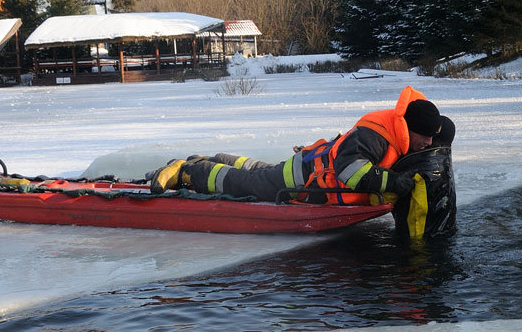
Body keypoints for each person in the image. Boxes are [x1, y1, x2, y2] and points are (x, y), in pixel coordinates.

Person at [149, 85, 442, 207]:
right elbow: (350, 172)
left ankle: (212, 158)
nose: (427, 144)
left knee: (261, 172)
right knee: (242, 183)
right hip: (303, 180)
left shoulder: (395, 129)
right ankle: (188, 170)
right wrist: (394, 181)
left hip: (308, 168)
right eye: (424, 137)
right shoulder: (377, 135)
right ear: (409, 129)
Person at [391, 115, 456, 239]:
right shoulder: (443, 159)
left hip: (416, 241)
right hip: (448, 230)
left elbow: (378, 199)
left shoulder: (414, 170)